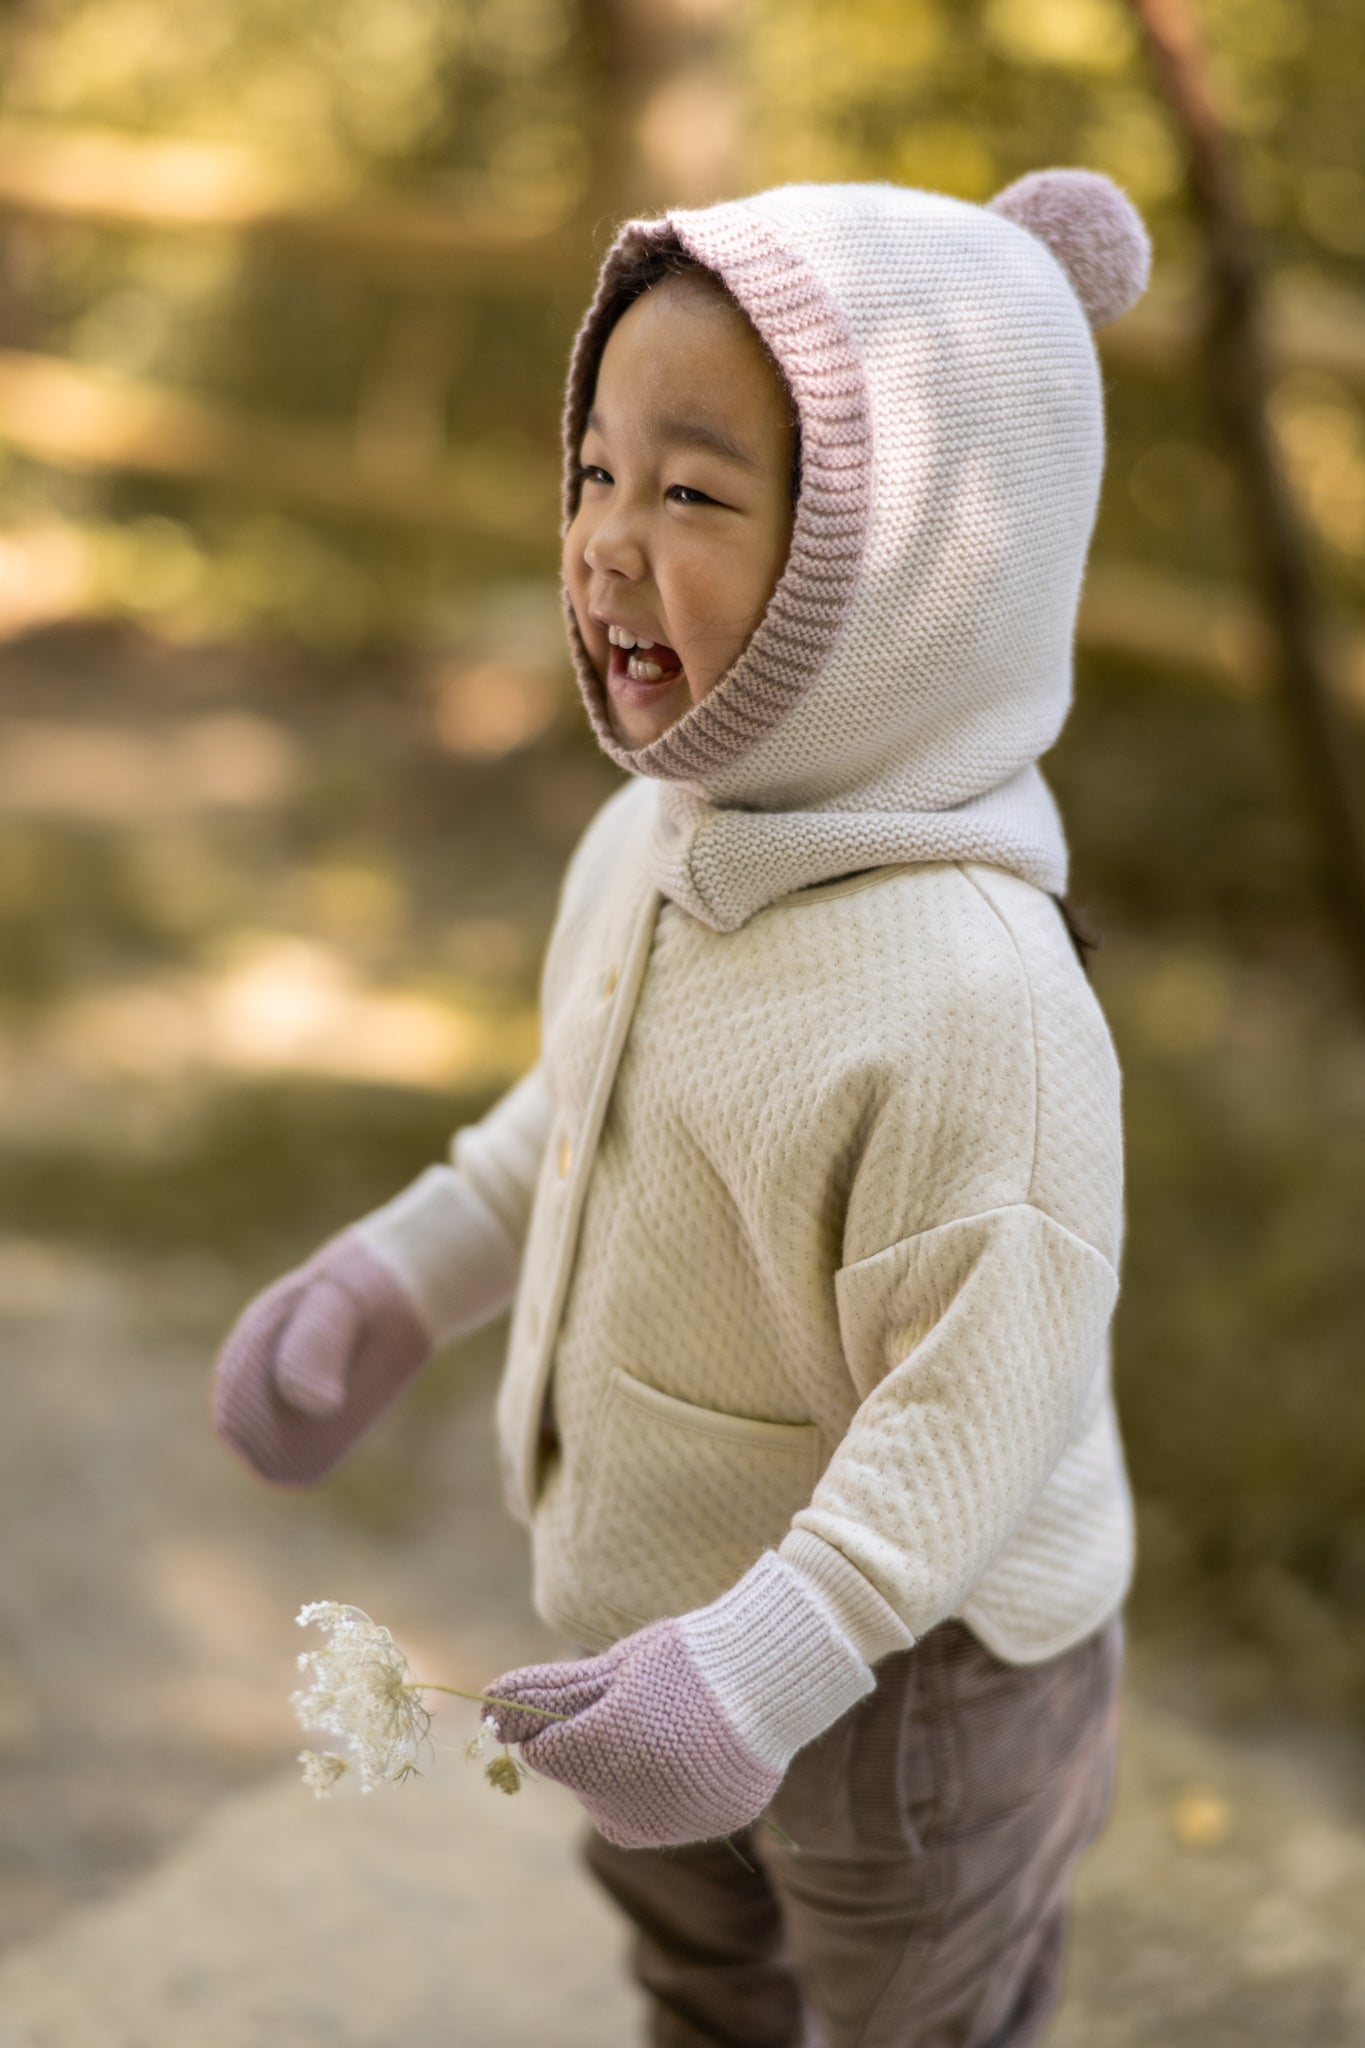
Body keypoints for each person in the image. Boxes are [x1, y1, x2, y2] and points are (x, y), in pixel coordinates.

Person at [213, 169, 1151, 2047]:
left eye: (695, 492)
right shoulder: (653, 847)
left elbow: (975, 1403)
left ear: (903, 579)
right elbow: (572, 1126)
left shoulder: (971, 995)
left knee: (913, 2018)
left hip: (900, 1690)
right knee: (702, 1988)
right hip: (647, 1652)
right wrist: (390, 1280)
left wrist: (767, 1667)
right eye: (593, 475)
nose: (607, 544)